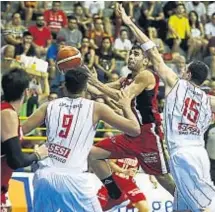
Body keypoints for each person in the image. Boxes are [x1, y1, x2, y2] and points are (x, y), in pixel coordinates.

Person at [116, 4, 215, 211]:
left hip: (181, 153)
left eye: (185, 69)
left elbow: (152, 51)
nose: (181, 70)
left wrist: (129, 23)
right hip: (199, 154)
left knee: (195, 206)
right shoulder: (211, 100)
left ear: (189, 75)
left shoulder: (176, 84)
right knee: (181, 204)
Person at [21, 67, 141, 212]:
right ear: (85, 88)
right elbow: (135, 130)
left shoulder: (48, 106)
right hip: (73, 178)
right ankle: (114, 192)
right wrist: (126, 106)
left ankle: (114, 192)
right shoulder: (96, 108)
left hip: (44, 176)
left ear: (64, 86)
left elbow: (19, 131)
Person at [88, 44, 175, 197]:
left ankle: (189, 204)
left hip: (148, 134)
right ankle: (113, 189)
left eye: (136, 54)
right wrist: (82, 79)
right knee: (93, 154)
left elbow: (123, 96)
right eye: (130, 54)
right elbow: (97, 91)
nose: (131, 57)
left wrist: (97, 83)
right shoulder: (126, 79)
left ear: (145, 61)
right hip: (130, 132)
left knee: (162, 176)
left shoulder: (146, 75)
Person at [1, 68, 48, 210]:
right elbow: (16, 161)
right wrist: (38, 154)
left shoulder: (5, 110)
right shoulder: (8, 114)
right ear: (26, 92)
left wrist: (25, 141)